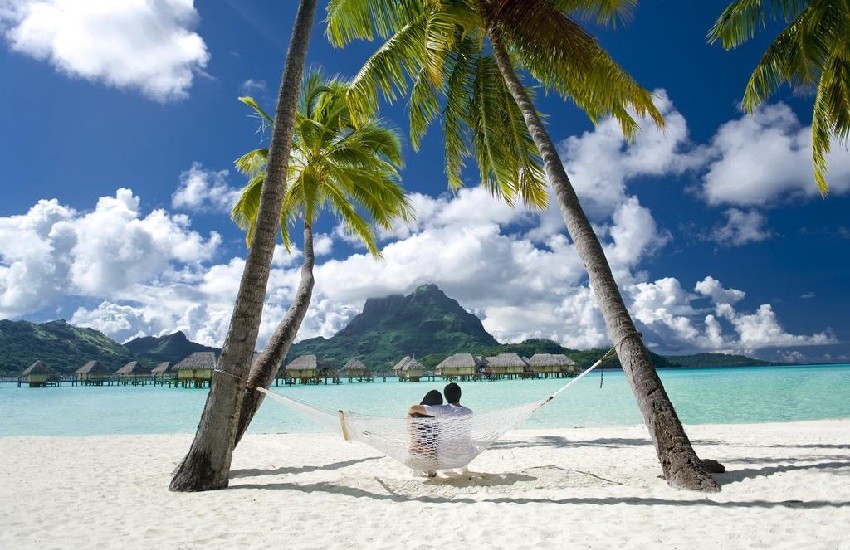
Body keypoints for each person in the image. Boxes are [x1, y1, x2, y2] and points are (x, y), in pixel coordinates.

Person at [408, 382, 474, 472]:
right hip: (466, 457)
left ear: (446, 397)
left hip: (444, 458)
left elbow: (413, 408)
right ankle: (464, 470)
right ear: (460, 395)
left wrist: (410, 416)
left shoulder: (440, 410)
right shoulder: (469, 412)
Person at [407, 389, 443, 477]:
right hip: (431, 458)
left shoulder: (415, 417)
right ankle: (432, 473)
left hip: (415, 456)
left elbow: (411, 410)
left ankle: (417, 474)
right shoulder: (439, 419)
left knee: (415, 446)